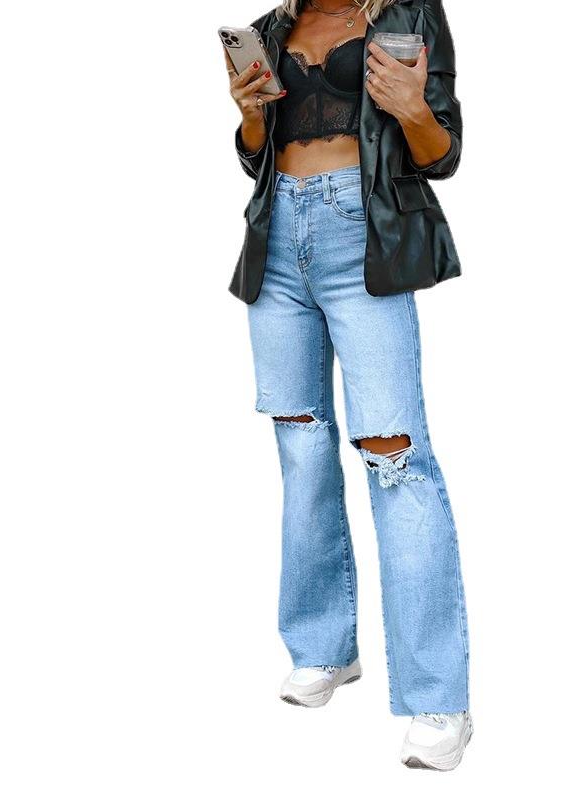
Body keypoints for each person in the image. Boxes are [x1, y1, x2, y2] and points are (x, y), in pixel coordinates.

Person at [225, 0, 471, 770]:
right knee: (300, 451)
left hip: (362, 238)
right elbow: (256, 159)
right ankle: (324, 647)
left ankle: (438, 698)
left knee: (395, 460)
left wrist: (411, 109)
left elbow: (443, 152)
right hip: (277, 246)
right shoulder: (272, 29)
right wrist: (251, 118)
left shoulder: (407, 10)